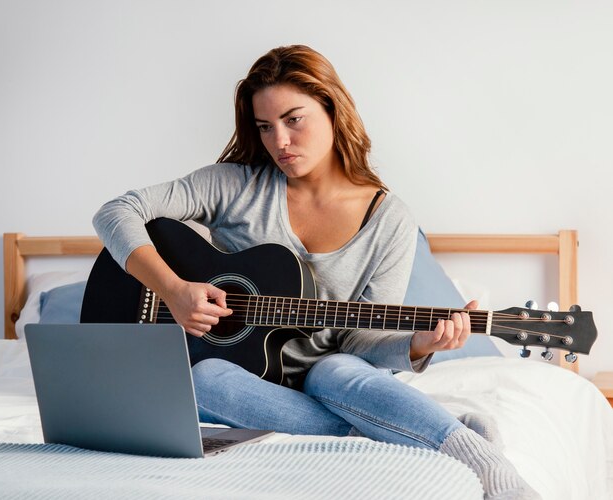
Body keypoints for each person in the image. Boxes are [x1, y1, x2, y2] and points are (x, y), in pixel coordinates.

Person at [93, 45, 539, 499]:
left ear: (332, 109)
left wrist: (418, 344)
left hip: (334, 374)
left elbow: (361, 341)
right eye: (265, 127)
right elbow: (117, 211)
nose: (279, 142)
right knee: (202, 379)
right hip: (241, 375)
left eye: (294, 120)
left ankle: (482, 460)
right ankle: (423, 431)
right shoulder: (234, 185)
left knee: (336, 370)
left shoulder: (390, 221)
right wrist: (171, 290)